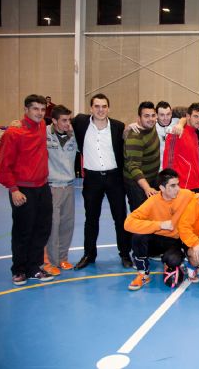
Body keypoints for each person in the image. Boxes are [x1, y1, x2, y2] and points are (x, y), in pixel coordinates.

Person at [0, 94, 55, 285]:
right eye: (35, 109)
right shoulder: (13, 133)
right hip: (23, 189)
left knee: (42, 229)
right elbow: (4, 166)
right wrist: (13, 189)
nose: (40, 113)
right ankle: (19, 269)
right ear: (26, 110)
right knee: (23, 231)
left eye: (42, 109)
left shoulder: (42, 125)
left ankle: (34, 268)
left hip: (42, 187)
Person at [72, 93, 130, 270]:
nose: (100, 110)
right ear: (91, 108)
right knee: (91, 219)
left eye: (104, 106)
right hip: (92, 179)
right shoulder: (80, 123)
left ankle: (125, 254)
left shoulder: (118, 127)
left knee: (120, 218)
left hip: (114, 178)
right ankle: (89, 255)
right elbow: (59, 121)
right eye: (97, 106)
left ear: (109, 108)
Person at [123, 169, 193, 291]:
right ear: (162, 188)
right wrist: (160, 225)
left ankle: (168, 263)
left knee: (173, 260)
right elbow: (128, 223)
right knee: (138, 237)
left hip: (173, 240)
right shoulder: (152, 201)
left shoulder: (185, 194)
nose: (177, 188)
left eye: (178, 184)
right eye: (173, 185)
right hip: (155, 239)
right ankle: (143, 274)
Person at [44, 105, 78, 275]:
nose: (67, 123)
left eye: (69, 120)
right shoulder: (44, 133)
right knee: (53, 225)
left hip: (69, 186)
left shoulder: (73, 135)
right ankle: (50, 261)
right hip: (51, 186)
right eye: (64, 120)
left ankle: (62, 258)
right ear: (54, 120)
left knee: (67, 224)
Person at [124, 101, 160, 212]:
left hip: (151, 178)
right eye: (146, 116)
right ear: (139, 118)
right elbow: (133, 167)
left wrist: (180, 124)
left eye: (153, 115)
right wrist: (147, 188)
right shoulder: (135, 138)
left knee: (152, 213)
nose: (151, 119)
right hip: (136, 183)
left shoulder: (151, 126)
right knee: (140, 215)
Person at [163, 102, 199, 191]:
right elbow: (168, 162)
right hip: (181, 186)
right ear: (188, 116)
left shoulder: (195, 134)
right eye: (196, 116)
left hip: (195, 185)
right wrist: (172, 187)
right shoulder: (176, 132)